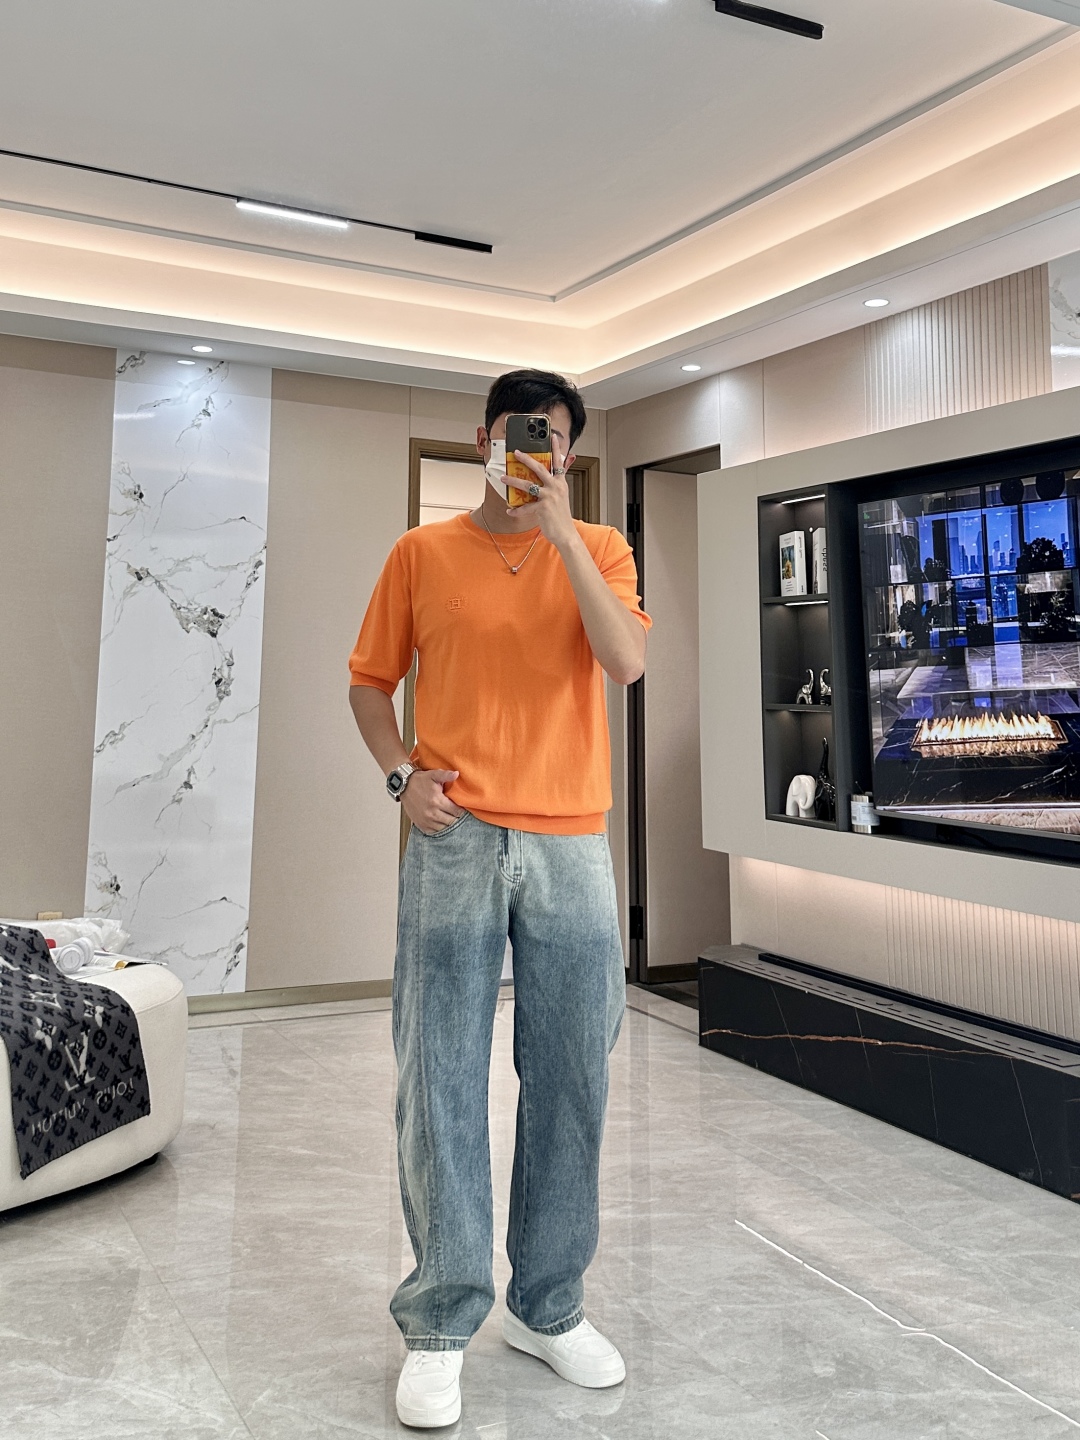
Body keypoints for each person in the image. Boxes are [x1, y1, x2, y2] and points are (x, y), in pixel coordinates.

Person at [348, 369, 650, 1429]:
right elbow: (368, 682)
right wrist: (401, 776)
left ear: (568, 454)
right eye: (524, 434)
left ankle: (547, 1306)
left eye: (556, 441)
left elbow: (626, 664)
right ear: (484, 437)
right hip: (455, 839)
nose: (538, 452)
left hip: (572, 845)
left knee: (572, 1077)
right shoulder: (420, 553)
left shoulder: (600, 547)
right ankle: (439, 1322)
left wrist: (562, 533)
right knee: (438, 1075)